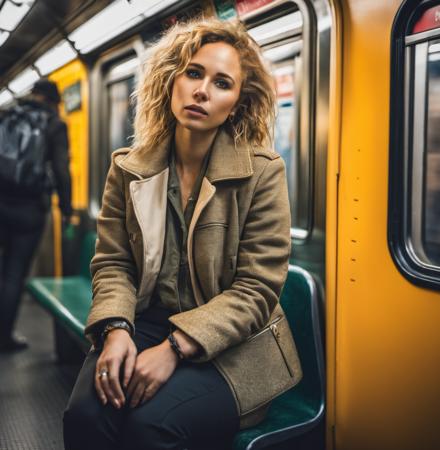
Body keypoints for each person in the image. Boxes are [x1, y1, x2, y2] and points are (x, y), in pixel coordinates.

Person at [63, 17, 301, 450]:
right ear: (171, 79)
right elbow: (114, 262)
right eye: (193, 73)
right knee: (84, 415)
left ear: (237, 103)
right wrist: (116, 330)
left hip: (232, 346)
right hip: (144, 322)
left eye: (222, 83)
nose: (202, 91)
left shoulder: (263, 173)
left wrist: (173, 348)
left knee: (151, 428)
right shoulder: (129, 169)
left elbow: (256, 288)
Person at [0, 79, 73, 352]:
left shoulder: (7, 114)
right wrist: (66, 209)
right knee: (14, 273)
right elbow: (61, 169)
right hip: (29, 209)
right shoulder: (54, 123)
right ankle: (4, 337)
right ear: (53, 100)